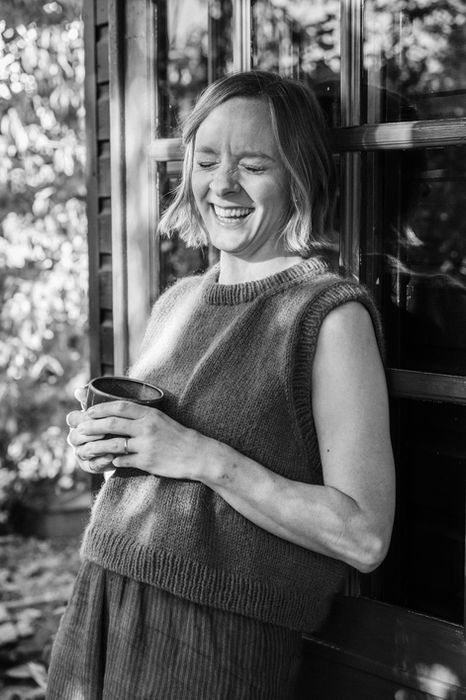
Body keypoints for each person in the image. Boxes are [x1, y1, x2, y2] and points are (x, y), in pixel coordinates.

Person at [47, 70, 395, 699]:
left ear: (300, 177)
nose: (223, 184)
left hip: (211, 642)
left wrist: (198, 456)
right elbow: (157, 464)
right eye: (207, 161)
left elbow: (363, 535)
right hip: (101, 600)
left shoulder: (327, 316)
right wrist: (108, 443)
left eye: (253, 165)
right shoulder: (178, 301)